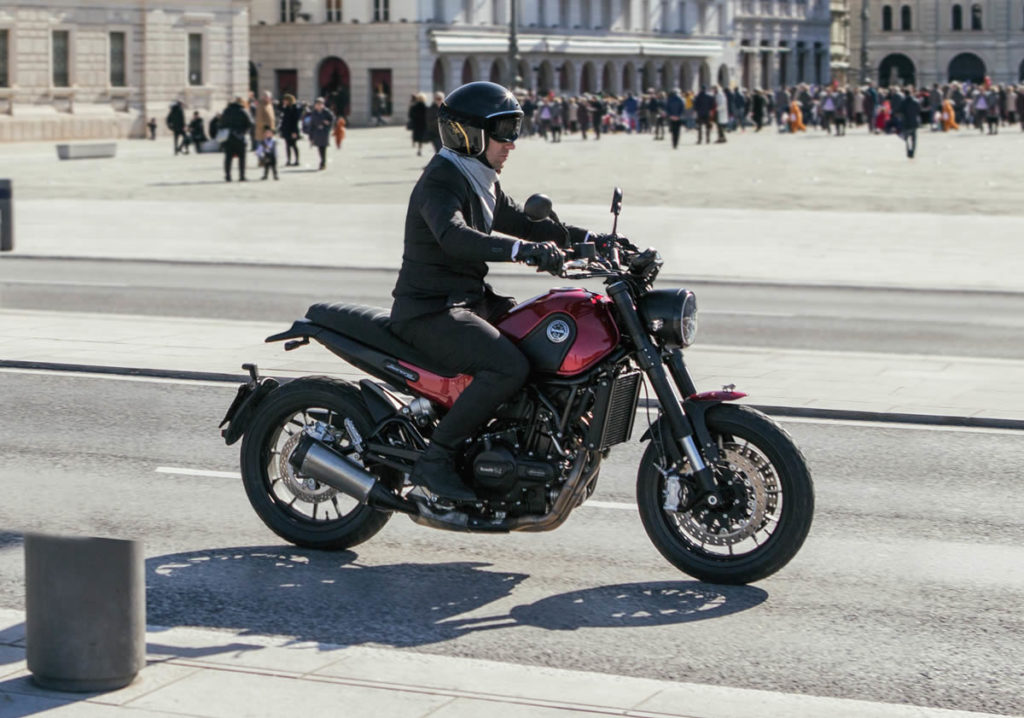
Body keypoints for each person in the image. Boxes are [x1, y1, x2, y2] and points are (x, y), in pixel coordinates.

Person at [389, 81, 609, 502]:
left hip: (469, 302)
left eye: (515, 130)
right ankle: (436, 461)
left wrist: (594, 240)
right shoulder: (441, 179)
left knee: (536, 343)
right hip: (429, 311)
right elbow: (454, 236)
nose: (512, 144)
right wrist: (521, 251)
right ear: (469, 134)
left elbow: (530, 226)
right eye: (504, 132)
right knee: (508, 367)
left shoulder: (479, 178)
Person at [220, 96, 253, 182]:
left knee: (228, 158)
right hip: (240, 137)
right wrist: (244, 131)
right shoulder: (243, 111)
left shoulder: (226, 111)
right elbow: (251, 123)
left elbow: (221, 123)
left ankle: (228, 176)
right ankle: (242, 176)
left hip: (228, 137)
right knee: (242, 158)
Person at [306, 97, 335, 170]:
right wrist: (311, 136)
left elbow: (332, 120)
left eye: (320, 104)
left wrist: (327, 123)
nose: (318, 106)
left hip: (324, 132)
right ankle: (322, 162)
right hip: (317, 132)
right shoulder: (314, 113)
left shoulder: (327, 112)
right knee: (319, 148)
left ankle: (323, 163)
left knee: (323, 148)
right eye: (317, 104)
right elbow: (311, 125)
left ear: (323, 105)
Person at [280, 94, 302, 166]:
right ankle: (288, 160)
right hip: (286, 130)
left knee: (294, 145)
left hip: (292, 130)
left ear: (289, 100)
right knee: (287, 145)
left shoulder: (294, 108)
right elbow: (284, 120)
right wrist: (281, 129)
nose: (284, 101)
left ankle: (297, 160)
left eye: (285, 100)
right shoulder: (285, 108)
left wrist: (294, 131)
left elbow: (295, 121)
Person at [899, 86, 921, 159]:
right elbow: (918, 111)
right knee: (914, 139)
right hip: (914, 122)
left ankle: (908, 152)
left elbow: (900, 111)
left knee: (907, 139)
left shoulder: (903, 102)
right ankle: (913, 152)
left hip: (906, 122)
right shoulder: (916, 101)